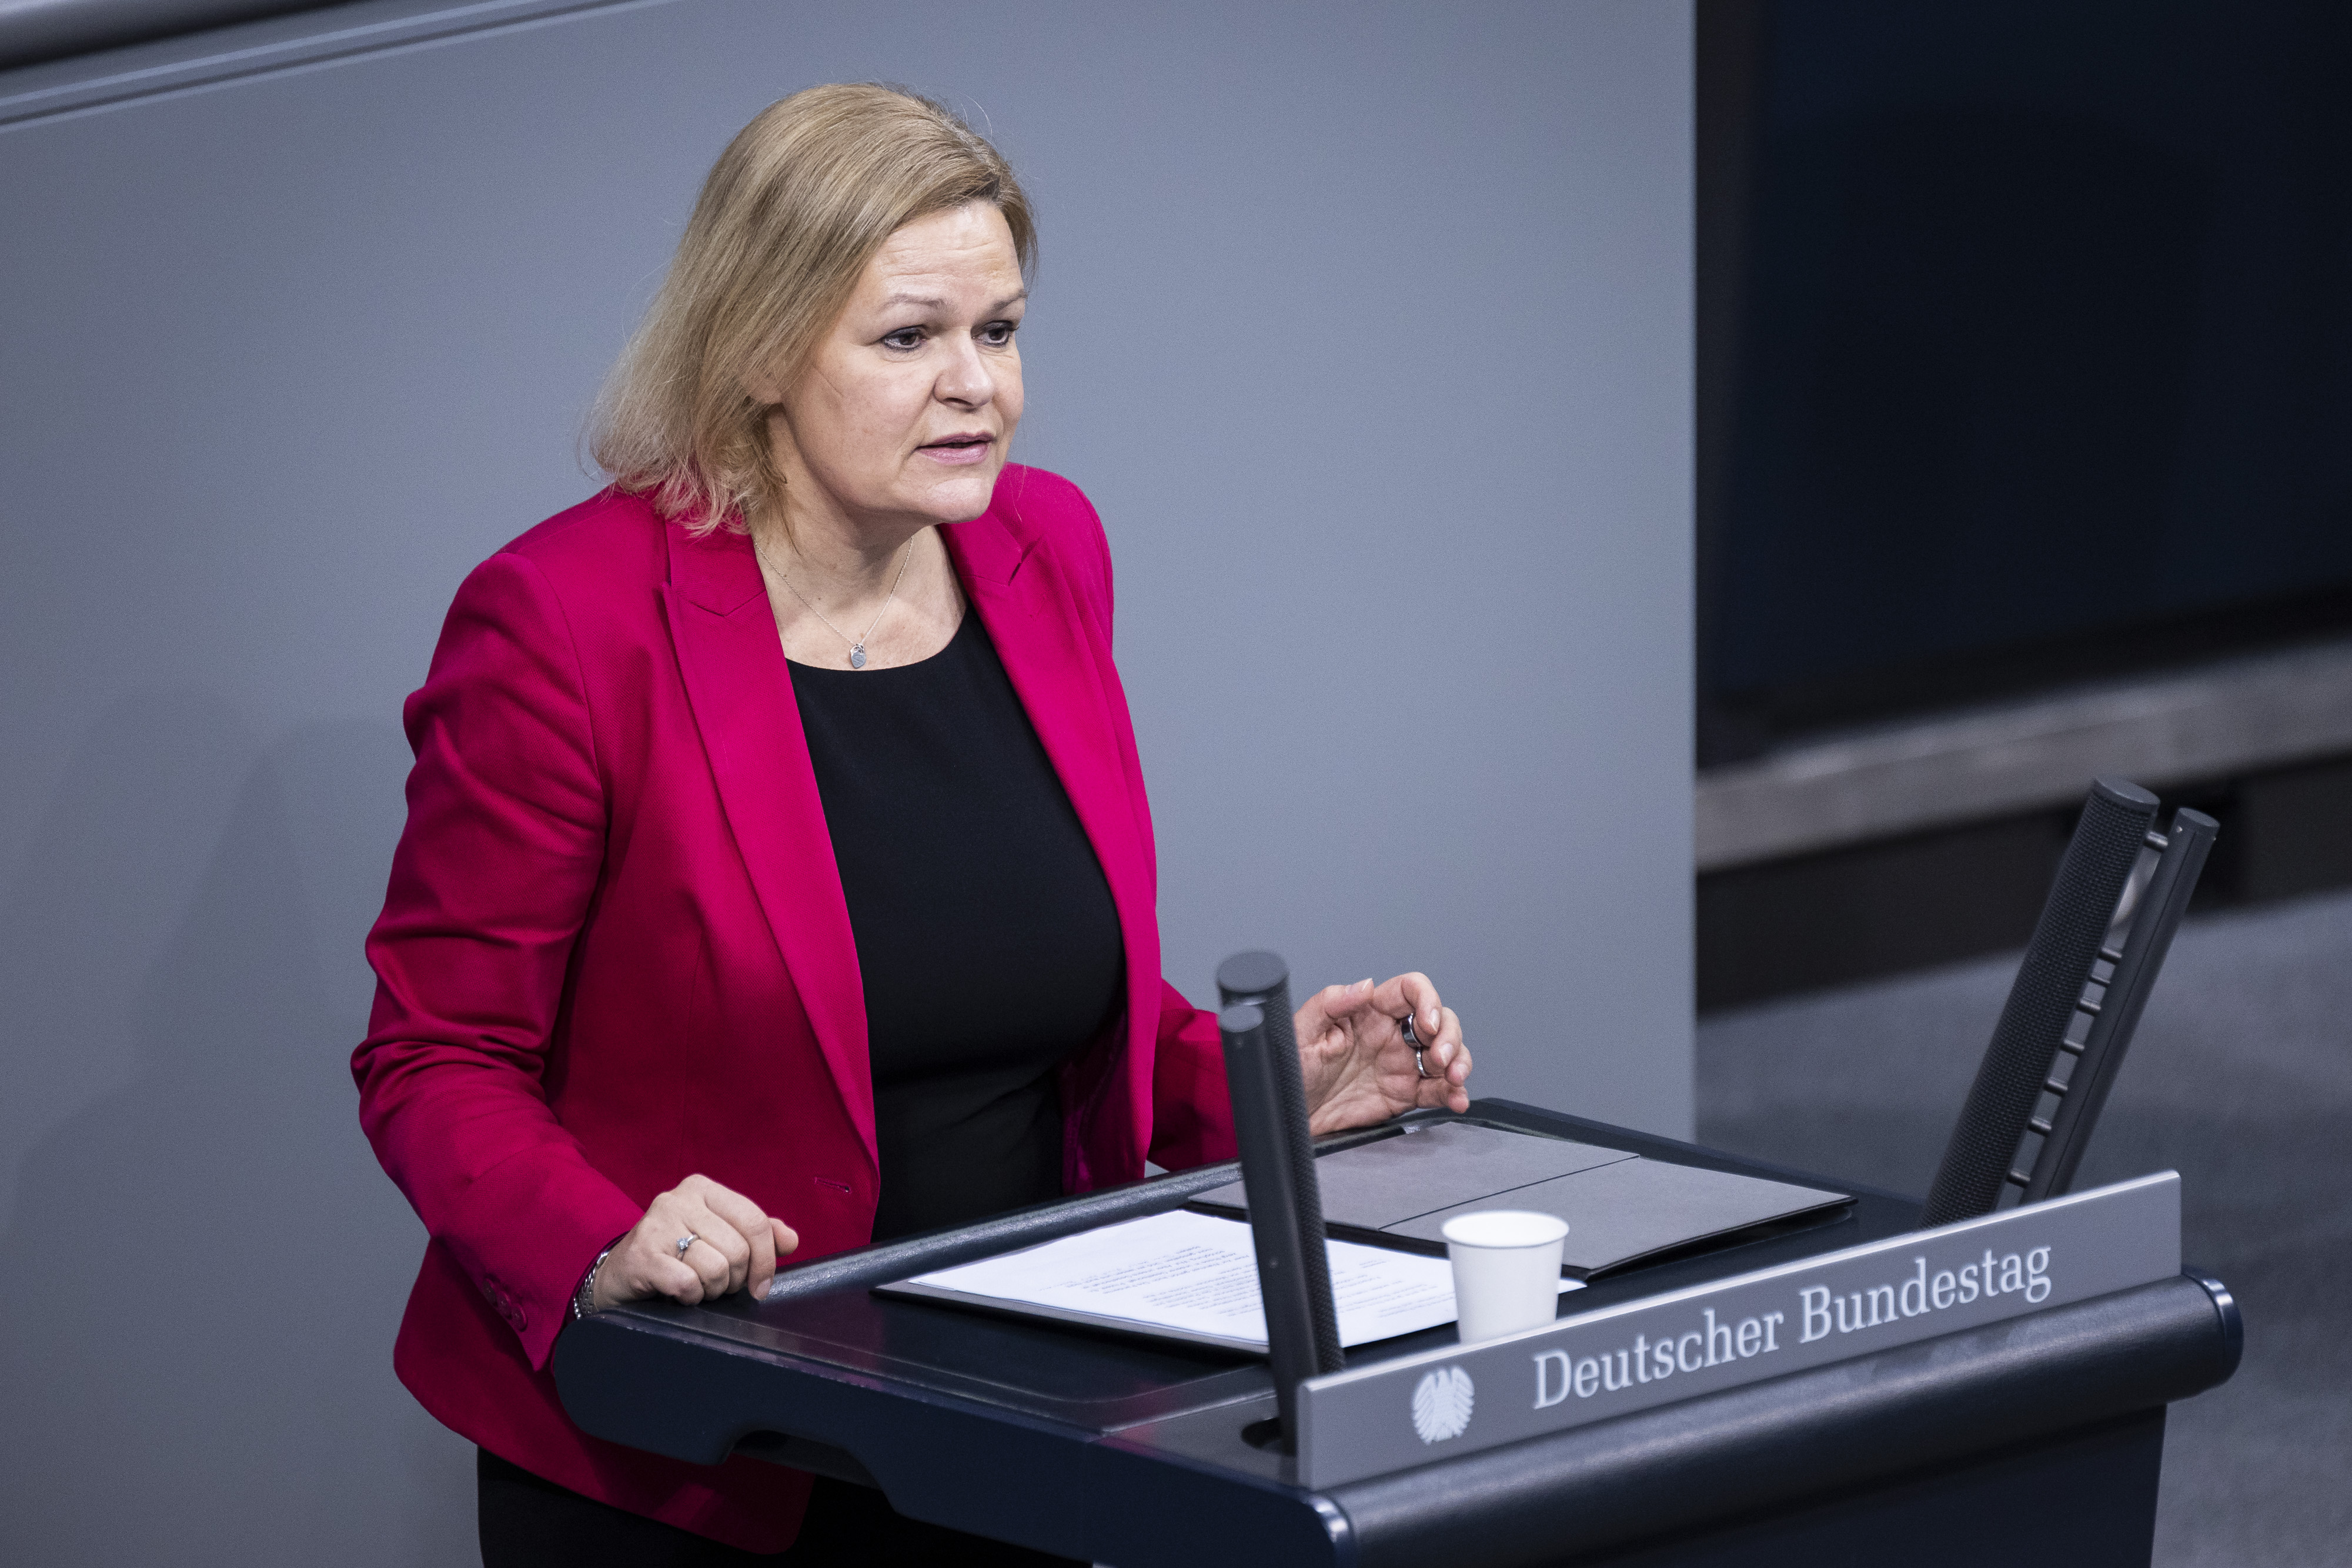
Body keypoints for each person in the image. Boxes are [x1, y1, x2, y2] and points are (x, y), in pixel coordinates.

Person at [352, 83, 1473, 1566]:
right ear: (756, 349)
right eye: (908, 338)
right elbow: (433, 1057)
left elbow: (1021, 989)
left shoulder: (1040, 545)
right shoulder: (563, 624)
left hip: (1015, 1416)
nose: (977, 387)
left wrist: (1268, 1095)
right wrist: (607, 1236)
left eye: (997, 332)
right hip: (705, 1453)